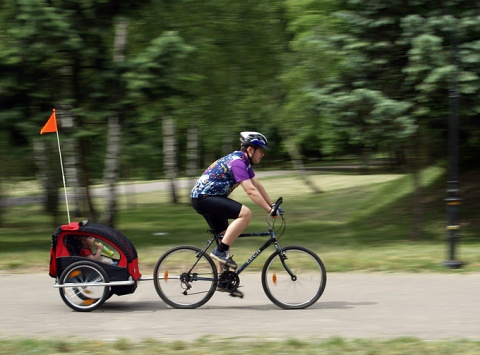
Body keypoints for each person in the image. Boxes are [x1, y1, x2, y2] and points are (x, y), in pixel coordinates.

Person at [191, 131, 279, 272]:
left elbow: (257, 185)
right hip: (204, 198)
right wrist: (268, 210)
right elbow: (250, 190)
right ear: (250, 149)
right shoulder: (237, 162)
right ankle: (220, 251)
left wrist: (272, 205)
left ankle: (222, 280)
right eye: (261, 151)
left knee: (225, 236)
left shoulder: (244, 162)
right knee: (246, 214)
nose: (263, 154)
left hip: (207, 198)